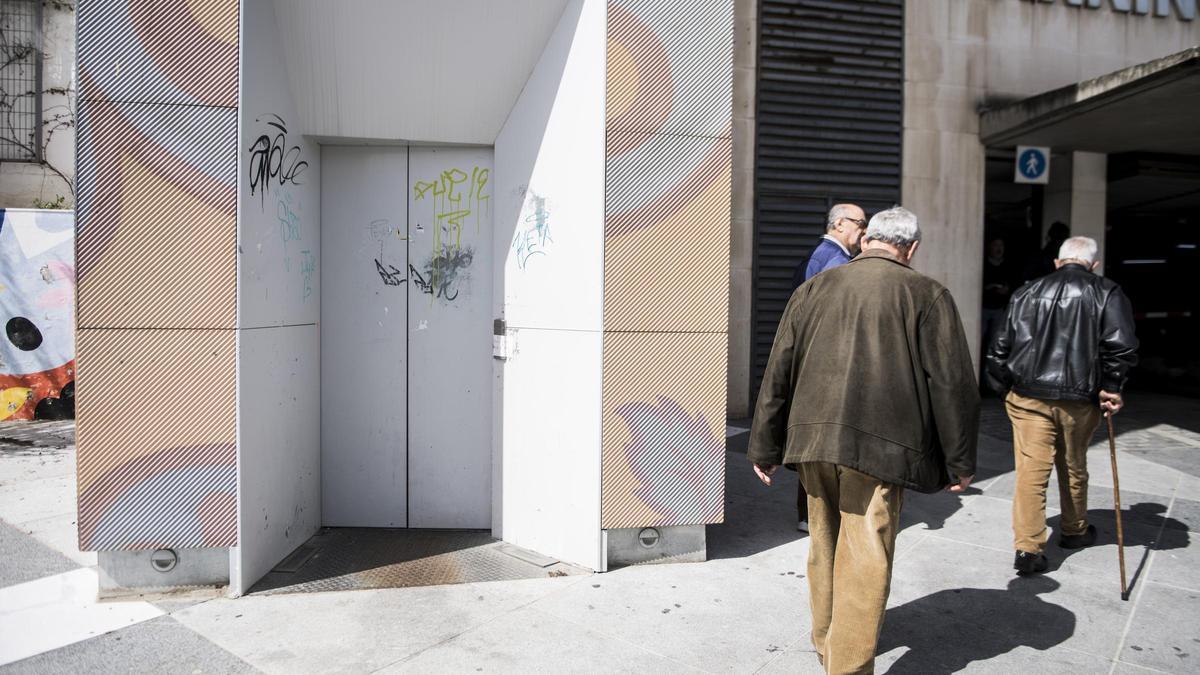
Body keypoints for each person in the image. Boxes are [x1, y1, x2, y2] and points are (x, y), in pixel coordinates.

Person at [749, 206, 980, 674]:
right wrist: (960, 460)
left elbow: (779, 369)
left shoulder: (814, 288)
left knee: (824, 546)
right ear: (911, 248)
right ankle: (848, 666)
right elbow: (952, 385)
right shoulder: (927, 294)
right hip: (881, 447)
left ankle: (826, 645)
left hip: (813, 439)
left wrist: (765, 445)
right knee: (865, 556)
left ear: (867, 239)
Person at [985, 236, 1138, 575]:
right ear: (1093, 264)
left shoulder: (1026, 292)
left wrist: (1007, 390)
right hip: (1079, 400)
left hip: (1027, 398)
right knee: (1073, 465)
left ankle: (1028, 548)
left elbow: (997, 351)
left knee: (1030, 473)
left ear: (1057, 262)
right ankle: (1074, 529)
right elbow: (1122, 348)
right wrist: (1111, 387)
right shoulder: (1106, 291)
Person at [787, 203, 868, 534]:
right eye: (860, 223)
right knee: (824, 441)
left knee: (813, 439)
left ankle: (808, 514)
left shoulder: (816, 255)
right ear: (839, 224)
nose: (864, 229)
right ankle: (817, 516)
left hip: (810, 361)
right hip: (827, 365)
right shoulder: (836, 262)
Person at [790, 203, 867, 291]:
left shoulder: (823, 255)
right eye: (861, 224)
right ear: (839, 224)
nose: (865, 231)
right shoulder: (836, 259)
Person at [981, 235, 1018, 353]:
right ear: (989, 247)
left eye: (1001, 245)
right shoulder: (982, 263)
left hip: (1000, 309)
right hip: (983, 308)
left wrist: (1007, 290)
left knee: (995, 342)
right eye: (996, 245)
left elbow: (1014, 285)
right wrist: (989, 288)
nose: (999, 249)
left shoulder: (1008, 265)